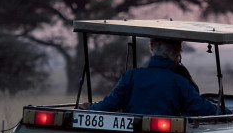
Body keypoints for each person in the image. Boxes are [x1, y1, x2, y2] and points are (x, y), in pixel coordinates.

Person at [87, 37, 224, 116]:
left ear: (152, 50)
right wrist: (227, 113)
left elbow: (110, 104)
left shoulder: (130, 76)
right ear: (177, 54)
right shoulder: (180, 83)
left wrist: (89, 109)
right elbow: (200, 107)